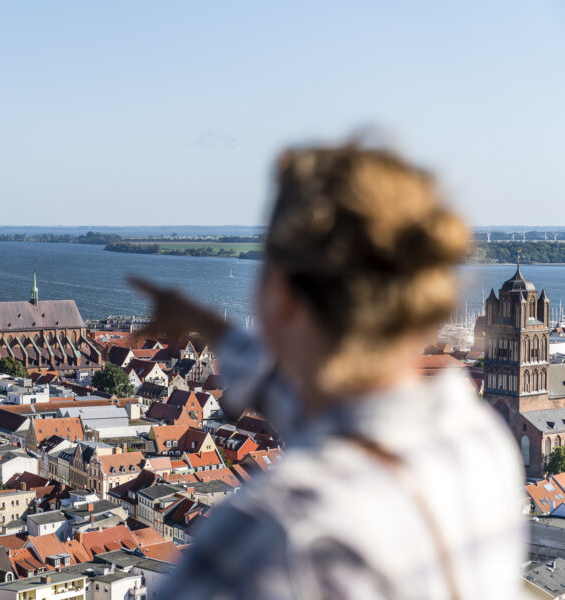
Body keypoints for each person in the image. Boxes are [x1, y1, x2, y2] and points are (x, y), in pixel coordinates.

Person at [133, 143, 526, 599]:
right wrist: (205, 325)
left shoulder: (269, 537)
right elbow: (312, 404)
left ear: (278, 294)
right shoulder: (476, 438)